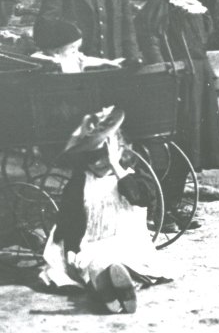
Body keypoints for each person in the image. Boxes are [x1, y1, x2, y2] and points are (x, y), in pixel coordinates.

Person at [39, 106, 173, 314]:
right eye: (91, 159)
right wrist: (72, 249)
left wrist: (116, 165)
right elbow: (70, 218)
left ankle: (118, 286)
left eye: (104, 157)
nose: (99, 163)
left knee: (125, 262)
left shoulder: (131, 176)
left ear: (119, 150)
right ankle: (108, 291)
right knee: (92, 265)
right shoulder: (81, 182)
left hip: (128, 241)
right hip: (93, 243)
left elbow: (141, 199)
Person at [135, 0, 219, 228]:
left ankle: (173, 205)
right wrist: (163, 71)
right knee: (167, 144)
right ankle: (156, 210)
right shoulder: (159, 5)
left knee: (189, 143)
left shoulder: (197, 7)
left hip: (197, 84)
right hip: (171, 81)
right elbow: (149, 39)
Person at [30, 18, 124, 73]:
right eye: (73, 50)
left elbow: (87, 60)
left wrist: (109, 62)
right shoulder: (45, 61)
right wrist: (55, 62)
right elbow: (47, 62)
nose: (78, 53)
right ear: (57, 52)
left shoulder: (73, 57)